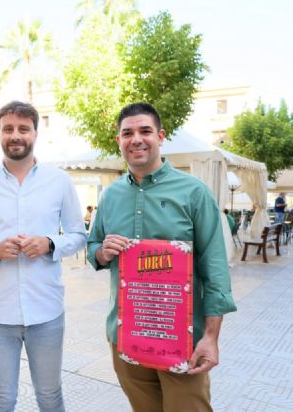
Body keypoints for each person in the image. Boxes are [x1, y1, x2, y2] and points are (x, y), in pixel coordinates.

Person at [87, 102, 237, 412]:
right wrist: (102, 251)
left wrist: (211, 336)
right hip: (127, 335)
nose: (136, 139)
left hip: (183, 339)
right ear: (119, 140)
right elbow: (93, 248)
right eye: (127, 133)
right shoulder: (110, 196)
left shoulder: (194, 192)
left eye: (145, 131)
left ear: (160, 136)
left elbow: (215, 268)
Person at [0, 101, 87, 412]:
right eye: (8, 129)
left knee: (50, 396)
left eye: (23, 129)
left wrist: (50, 244)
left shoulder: (59, 181)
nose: (16, 135)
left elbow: (78, 235)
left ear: (35, 134)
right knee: (2, 399)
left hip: (47, 311)